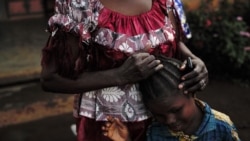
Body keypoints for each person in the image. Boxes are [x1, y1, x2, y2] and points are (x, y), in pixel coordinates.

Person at [40, 0, 208, 140]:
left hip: (167, 123)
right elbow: (51, 78)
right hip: (112, 129)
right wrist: (119, 76)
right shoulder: (80, 5)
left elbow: (172, 40)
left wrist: (193, 59)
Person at [102, 56, 241, 141]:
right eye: (159, 115)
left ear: (191, 92)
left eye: (176, 110)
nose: (169, 121)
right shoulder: (155, 131)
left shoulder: (222, 127)